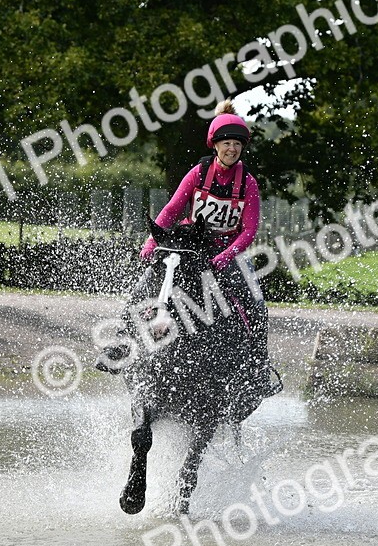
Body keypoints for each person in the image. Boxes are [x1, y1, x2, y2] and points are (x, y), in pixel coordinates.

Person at [104, 100, 274, 394]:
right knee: (145, 283)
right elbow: (172, 210)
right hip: (189, 247)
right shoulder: (198, 173)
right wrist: (152, 241)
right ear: (215, 145)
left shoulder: (248, 183)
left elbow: (249, 231)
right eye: (226, 143)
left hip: (228, 251)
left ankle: (259, 366)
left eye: (237, 144)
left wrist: (226, 256)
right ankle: (120, 344)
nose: (232, 149)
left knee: (255, 300)